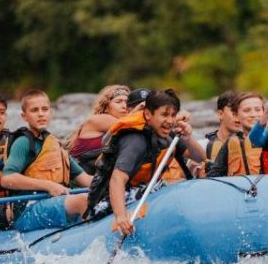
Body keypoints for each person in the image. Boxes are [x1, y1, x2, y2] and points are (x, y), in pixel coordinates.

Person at [0, 90, 95, 237]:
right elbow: (7, 178)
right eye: (34, 110)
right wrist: (49, 186)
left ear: (51, 112)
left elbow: (86, 179)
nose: (41, 114)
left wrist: (112, 184)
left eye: (45, 109)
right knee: (82, 200)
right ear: (24, 116)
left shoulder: (55, 145)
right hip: (28, 210)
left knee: (97, 198)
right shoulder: (23, 143)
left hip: (54, 203)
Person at [84, 89, 206, 236]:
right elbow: (117, 179)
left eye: (173, 115)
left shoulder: (167, 134)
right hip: (108, 200)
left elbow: (200, 158)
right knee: (175, 183)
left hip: (143, 188)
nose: (170, 120)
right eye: (164, 115)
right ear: (148, 114)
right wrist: (121, 217)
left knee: (181, 183)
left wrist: (188, 137)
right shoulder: (136, 139)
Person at [67, 85, 129, 174]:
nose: (124, 106)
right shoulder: (99, 119)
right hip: (77, 180)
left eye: (127, 102)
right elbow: (130, 126)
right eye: (118, 102)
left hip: (96, 178)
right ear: (106, 107)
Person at [209, 92, 265, 177]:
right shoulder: (231, 142)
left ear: (264, 113)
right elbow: (214, 174)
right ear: (236, 116)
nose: (253, 115)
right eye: (247, 111)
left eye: (258, 110)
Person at [201, 90, 241, 177]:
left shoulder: (252, 144)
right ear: (220, 114)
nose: (238, 118)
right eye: (234, 112)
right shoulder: (202, 147)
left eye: (241, 112)